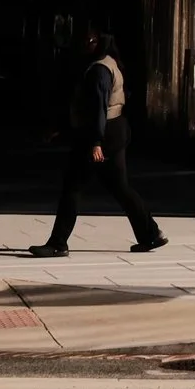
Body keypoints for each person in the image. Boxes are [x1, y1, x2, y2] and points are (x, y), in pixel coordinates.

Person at [29, 29, 167, 257]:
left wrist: (95, 143)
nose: (85, 46)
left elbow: (98, 109)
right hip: (115, 131)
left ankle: (57, 243)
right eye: (84, 41)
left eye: (90, 41)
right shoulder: (109, 62)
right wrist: (62, 128)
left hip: (101, 135)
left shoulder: (99, 70)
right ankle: (150, 234)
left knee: (73, 186)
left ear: (100, 42)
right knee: (120, 187)